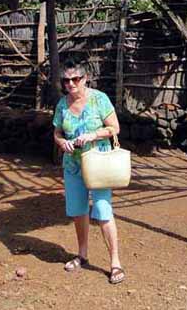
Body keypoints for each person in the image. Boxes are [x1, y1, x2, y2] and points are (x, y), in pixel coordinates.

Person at [52, 58, 124, 284]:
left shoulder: (99, 99)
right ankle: (82, 254)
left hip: (98, 163)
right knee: (78, 211)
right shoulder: (62, 105)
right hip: (73, 165)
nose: (71, 84)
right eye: (67, 80)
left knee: (103, 210)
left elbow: (115, 127)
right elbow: (57, 133)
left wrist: (93, 135)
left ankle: (115, 263)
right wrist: (62, 142)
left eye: (76, 79)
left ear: (85, 79)